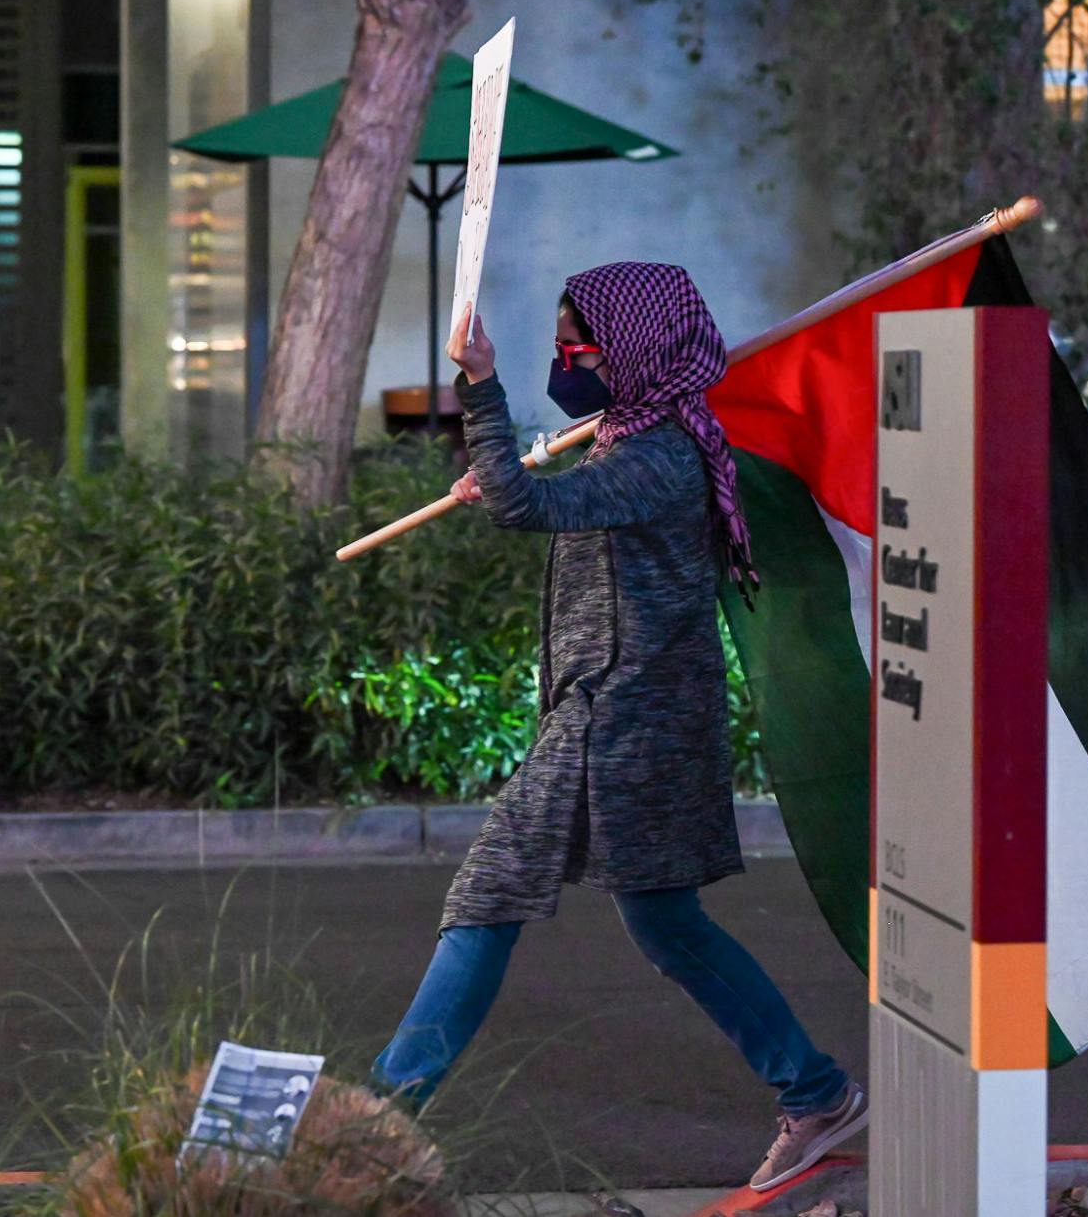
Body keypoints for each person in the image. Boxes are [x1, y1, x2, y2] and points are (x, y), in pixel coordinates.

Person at [370, 263, 866, 1193]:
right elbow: (542, 497)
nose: (565, 361)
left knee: (489, 894)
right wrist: (500, 466)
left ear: (635, 352)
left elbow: (529, 507)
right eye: (562, 345)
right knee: (666, 924)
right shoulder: (635, 435)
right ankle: (818, 1091)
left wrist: (482, 389)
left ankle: (379, 1121)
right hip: (625, 710)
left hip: (621, 718)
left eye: (578, 347)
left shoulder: (661, 456)